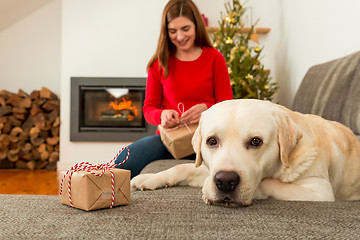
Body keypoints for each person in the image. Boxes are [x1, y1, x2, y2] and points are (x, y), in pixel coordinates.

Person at [115, 0, 233, 178]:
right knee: (124, 159)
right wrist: (161, 115)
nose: (179, 36)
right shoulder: (160, 63)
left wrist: (207, 109)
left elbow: (228, 105)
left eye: (185, 29)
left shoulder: (214, 58)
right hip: (171, 139)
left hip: (209, 138)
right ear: (166, 31)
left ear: (196, 26)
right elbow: (149, 108)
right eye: (173, 31)